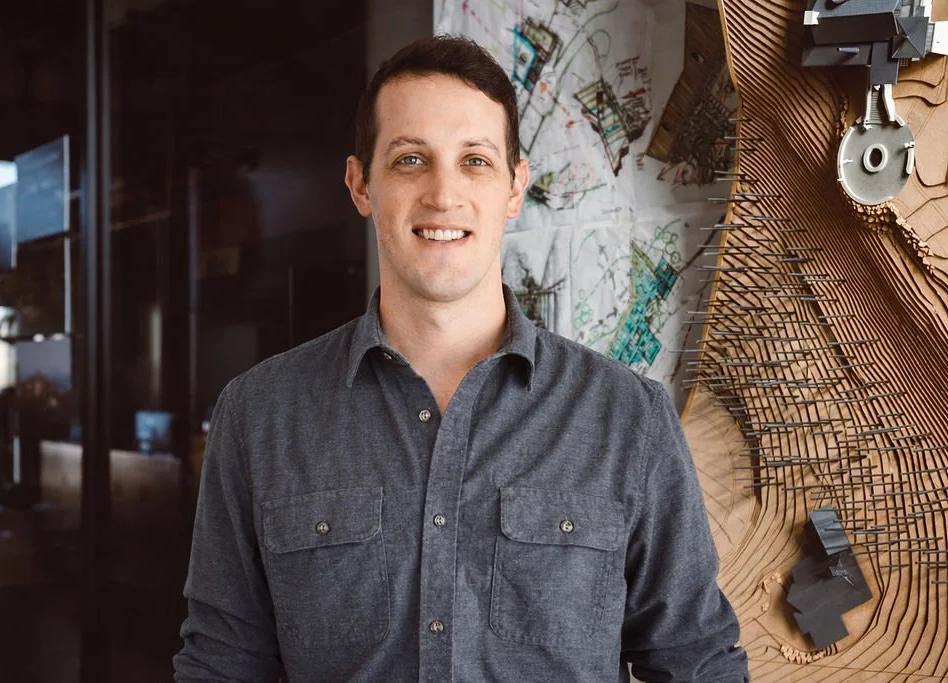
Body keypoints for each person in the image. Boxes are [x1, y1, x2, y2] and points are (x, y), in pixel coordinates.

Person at [174, 35, 749, 682]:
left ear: (514, 187)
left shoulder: (629, 418)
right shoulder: (259, 415)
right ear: (361, 185)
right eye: (410, 159)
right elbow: (220, 664)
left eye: (474, 160)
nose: (443, 194)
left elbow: (699, 663)